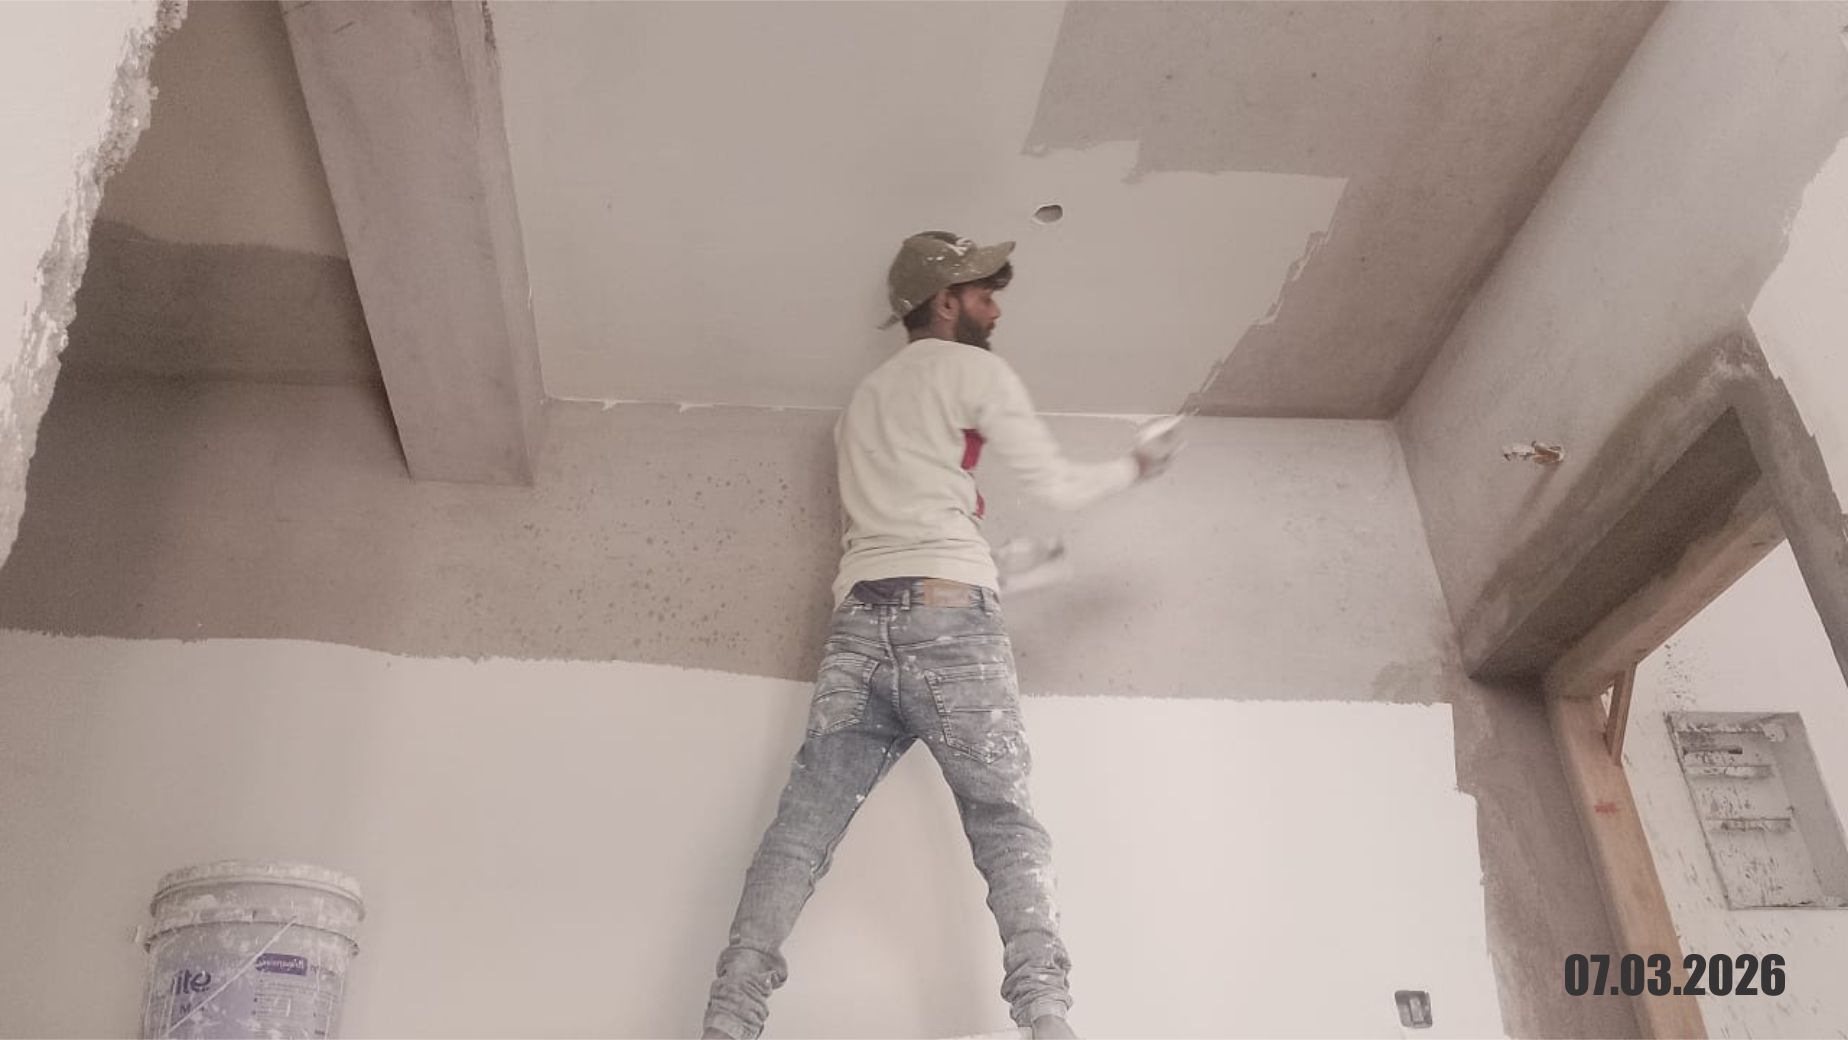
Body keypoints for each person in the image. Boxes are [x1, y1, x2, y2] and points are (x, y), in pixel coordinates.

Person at [701, 231, 1180, 1040]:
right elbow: (1056, 487)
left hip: (858, 626)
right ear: (946, 301)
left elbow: (897, 539)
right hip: (952, 614)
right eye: (983, 293)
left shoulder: (859, 408)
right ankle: (1047, 1021)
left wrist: (1003, 567)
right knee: (1004, 824)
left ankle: (728, 1017)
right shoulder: (973, 371)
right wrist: (1137, 465)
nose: (995, 310)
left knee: (802, 830)